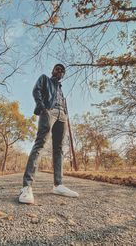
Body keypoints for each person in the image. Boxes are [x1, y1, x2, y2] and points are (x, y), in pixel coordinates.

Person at [19, 64, 79, 204]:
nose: (60, 71)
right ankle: (26, 187)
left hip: (62, 115)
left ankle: (58, 185)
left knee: (59, 149)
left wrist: (66, 115)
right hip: (49, 111)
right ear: (52, 71)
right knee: (40, 144)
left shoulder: (60, 89)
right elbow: (36, 90)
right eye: (57, 68)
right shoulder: (45, 79)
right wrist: (42, 107)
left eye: (62, 70)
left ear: (63, 75)